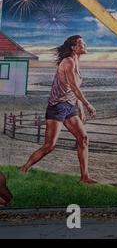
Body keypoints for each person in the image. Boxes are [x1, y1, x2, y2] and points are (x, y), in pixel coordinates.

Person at [19, 35, 97, 183]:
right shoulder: (68, 62)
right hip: (57, 107)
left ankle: (84, 177)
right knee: (49, 146)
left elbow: (74, 89)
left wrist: (80, 109)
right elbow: (74, 87)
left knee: (83, 138)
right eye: (82, 43)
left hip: (69, 107)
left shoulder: (76, 62)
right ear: (74, 47)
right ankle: (24, 168)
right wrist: (88, 105)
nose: (85, 45)